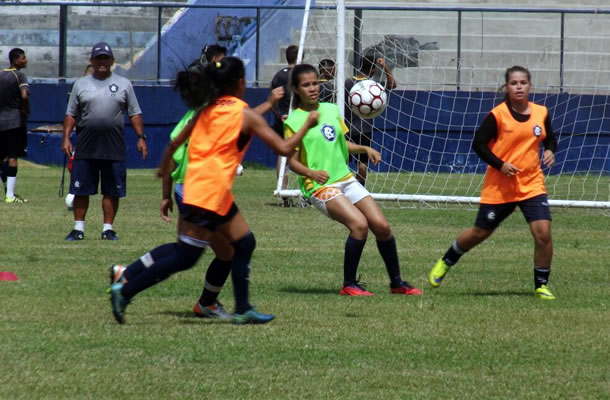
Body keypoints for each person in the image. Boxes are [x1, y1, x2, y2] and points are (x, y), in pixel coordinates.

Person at [108, 56, 318, 325]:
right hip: (207, 195)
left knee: (244, 242)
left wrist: (163, 170)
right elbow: (285, 149)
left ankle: (243, 308)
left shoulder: (205, 111)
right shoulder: (245, 115)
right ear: (241, 83)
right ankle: (124, 291)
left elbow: (174, 145)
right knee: (185, 257)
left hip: (209, 191)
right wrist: (307, 124)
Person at [285, 63, 421, 297]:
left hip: (345, 178)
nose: (312, 88)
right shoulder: (293, 121)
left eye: (315, 83)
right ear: (297, 90)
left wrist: (363, 149)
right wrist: (311, 173)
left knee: (382, 226)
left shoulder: (330, 110)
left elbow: (340, 143)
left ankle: (397, 283)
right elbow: (292, 162)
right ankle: (349, 284)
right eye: (306, 85)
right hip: (319, 186)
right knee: (359, 226)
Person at [428, 66, 558, 300]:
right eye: (513, 83)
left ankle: (541, 284)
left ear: (529, 86)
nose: (518, 86)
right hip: (500, 185)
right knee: (480, 232)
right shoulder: (498, 115)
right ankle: (447, 260)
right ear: (506, 87)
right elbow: (479, 144)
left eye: (523, 82)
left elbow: (550, 139)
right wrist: (501, 164)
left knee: (543, 233)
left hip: (531, 184)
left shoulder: (541, 112)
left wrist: (550, 151)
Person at [62, 42, 148, 241]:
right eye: (98, 58)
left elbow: (134, 113)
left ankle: (108, 229)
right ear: (92, 60)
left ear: (111, 61)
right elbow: (71, 114)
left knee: (112, 189)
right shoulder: (80, 84)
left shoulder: (124, 84)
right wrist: (66, 137)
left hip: (113, 144)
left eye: (105, 58)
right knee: (80, 188)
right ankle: (78, 229)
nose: (102, 62)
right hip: (86, 144)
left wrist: (141, 137)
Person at [344, 53, 396, 186]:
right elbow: (392, 84)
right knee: (362, 163)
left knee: (342, 162)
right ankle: (360, 190)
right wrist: (385, 67)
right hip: (364, 129)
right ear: (373, 69)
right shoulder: (374, 85)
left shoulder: (347, 83)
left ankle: (341, 189)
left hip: (346, 128)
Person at [0, 48, 30, 203]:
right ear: (15, 60)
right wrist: (26, 110)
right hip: (14, 121)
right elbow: (24, 95)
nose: (26, 60)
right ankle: (10, 195)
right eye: (23, 58)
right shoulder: (19, 75)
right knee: (12, 157)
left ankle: (7, 191)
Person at [270, 45, 298, 203]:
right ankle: (306, 192)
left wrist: (280, 116)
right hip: (298, 120)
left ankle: (284, 191)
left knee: (282, 154)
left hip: (282, 120)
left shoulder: (278, 75)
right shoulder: (301, 75)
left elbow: (272, 99)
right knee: (302, 153)